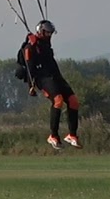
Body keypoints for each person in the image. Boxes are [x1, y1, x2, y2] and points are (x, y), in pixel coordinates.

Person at [15, 19, 81, 149]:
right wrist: (31, 86)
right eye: (47, 33)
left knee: (73, 101)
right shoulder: (30, 47)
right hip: (42, 78)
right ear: (41, 32)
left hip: (55, 76)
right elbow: (30, 69)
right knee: (58, 101)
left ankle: (72, 135)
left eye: (51, 33)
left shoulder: (46, 46)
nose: (50, 36)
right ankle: (53, 136)